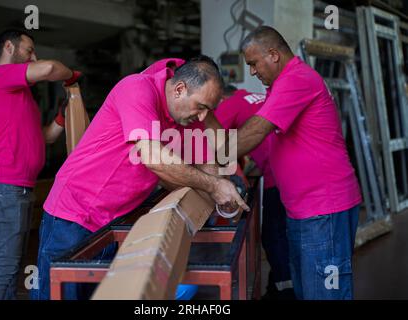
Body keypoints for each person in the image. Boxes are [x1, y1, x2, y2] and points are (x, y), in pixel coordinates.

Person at [30, 55, 249, 300]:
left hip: (114, 220)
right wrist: (214, 186)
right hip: (74, 214)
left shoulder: (185, 115)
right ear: (179, 89)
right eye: (201, 107)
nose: (201, 117)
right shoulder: (136, 89)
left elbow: (208, 160)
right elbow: (153, 157)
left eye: (207, 111)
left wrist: (225, 189)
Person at [236, 26, 362, 300]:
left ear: (273, 55)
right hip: (303, 210)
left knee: (325, 294)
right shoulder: (280, 85)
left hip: (324, 209)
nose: (253, 72)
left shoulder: (296, 79)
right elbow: (276, 139)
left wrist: (209, 159)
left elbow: (257, 130)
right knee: (306, 291)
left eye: (254, 64)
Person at [0, 29, 81, 300]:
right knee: (2, 267)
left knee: (10, 268)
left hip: (15, 190)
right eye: (28, 50)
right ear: (9, 47)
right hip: (4, 189)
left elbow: (44, 137)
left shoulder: (20, 94)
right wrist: (70, 76)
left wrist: (60, 118)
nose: (33, 57)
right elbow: (49, 67)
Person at [214, 85, 295, 299]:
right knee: (285, 232)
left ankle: (286, 292)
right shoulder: (254, 97)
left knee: (273, 234)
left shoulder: (229, 104)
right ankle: (276, 288)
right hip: (293, 172)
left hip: (276, 175)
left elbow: (209, 142)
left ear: (221, 97)